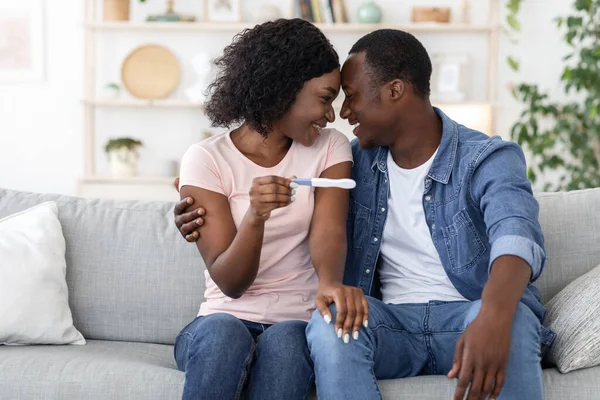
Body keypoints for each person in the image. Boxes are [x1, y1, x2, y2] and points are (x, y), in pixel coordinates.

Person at [176, 29, 555, 400]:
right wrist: (189, 199)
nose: (341, 112)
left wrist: (493, 314)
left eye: (351, 96)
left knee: (516, 317)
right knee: (329, 323)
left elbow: (516, 235)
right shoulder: (356, 161)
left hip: (471, 313)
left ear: (394, 90)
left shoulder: (486, 158)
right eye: (334, 98)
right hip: (390, 324)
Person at [173, 18, 368, 400]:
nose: (331, 115)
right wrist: (256, 216)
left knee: (289, 341)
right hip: (218, 322)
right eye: (325, 98)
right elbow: (230, 283)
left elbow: (329, 231)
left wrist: (329, 282)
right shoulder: (205, 159)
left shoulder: (331, 148)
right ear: (282, 91)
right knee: (224, 333)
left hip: (294, 320)